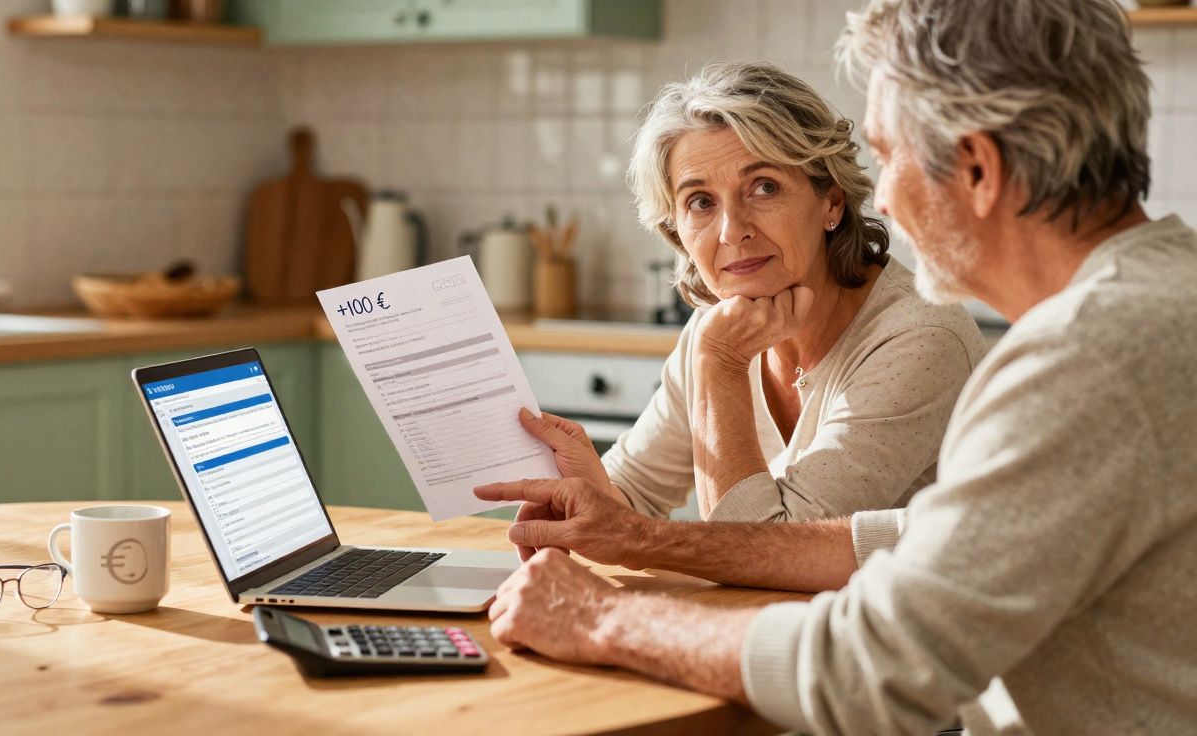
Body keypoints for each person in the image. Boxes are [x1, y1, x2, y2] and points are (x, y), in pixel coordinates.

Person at [474, 0, 1197, 733]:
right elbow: (919, 537)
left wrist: (604, 616)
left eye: (887, 157)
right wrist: (636, 534)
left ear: (977, 169)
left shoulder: (1083, 360)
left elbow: (869, 671)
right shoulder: (1159, 300)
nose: (876, 197)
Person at [511, 62, 983, 551]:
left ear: (832, 204)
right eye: (700, 202)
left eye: (765, 187)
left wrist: (721, 365)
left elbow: (765, 551)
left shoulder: (918, 339)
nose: (732, 230)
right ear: (677, 229)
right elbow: (633, 496)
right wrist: (585, 494)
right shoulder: (718, 330)